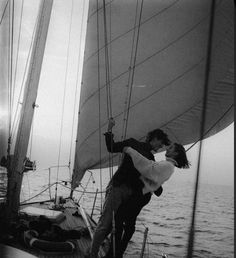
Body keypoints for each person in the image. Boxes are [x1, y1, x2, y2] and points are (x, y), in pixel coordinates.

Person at [87, 118, 170, 258]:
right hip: (117, 188)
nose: (160, 148)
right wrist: (109, 128)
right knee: (105, 224)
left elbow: (153, 182)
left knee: (115, 226)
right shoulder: (133, 143)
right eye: (160, 144)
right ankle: (92, 255)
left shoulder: (150, 158)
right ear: (155, 139)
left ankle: (111, 254)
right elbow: (112, 147)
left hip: (129, 194)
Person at [105, 143, 190, 258]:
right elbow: (151, 172)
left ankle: (114, 253)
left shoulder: (167, 166)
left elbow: (148, 168)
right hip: (142, 196)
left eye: (170, 148)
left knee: (119, 219)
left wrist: (130, 150)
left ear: (175, 153)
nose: (167, 148)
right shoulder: (167, 165)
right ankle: (118, 252)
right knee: (129, 224)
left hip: (140, 196)